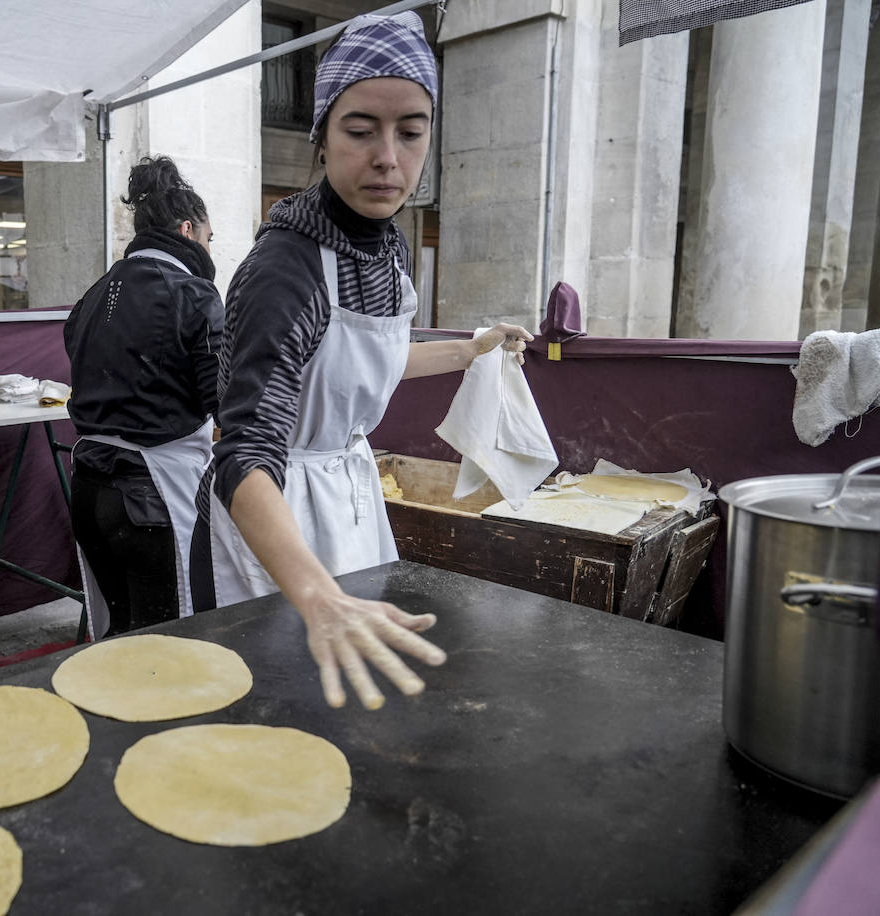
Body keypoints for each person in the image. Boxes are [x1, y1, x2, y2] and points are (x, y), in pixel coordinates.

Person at [194, 12, 532, 710]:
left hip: (348, 497)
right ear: (320, 135)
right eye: (360, 130)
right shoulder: (286, 266)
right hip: (275, 519)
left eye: (410, 132)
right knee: (275, 713)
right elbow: (245, 451)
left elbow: (360, 367)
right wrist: (316, 594)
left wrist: (473, 350)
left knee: (353, 707)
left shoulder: (387, 245)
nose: (387, 157)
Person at [64, 156, 223, 638]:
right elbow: (226, 400)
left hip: (90, 492)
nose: (211, 248)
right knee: (167, 645)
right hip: (152, 499)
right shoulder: (195, 294)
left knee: (119, 636)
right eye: (210, 238)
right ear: (189, 229)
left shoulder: (91, 296)